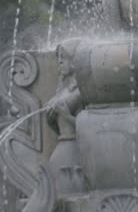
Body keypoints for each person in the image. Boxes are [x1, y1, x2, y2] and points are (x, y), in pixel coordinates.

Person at [45, 39, 86, 196]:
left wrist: (65, 115)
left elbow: (86, 128)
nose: (60, 61)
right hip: (61, 146)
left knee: (70, 193)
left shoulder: (81, 92)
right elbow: (57, 128)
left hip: (75, 149)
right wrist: (51, 119)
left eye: (64, 57)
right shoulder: (61, 92)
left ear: (75, 61)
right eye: (59, 57)